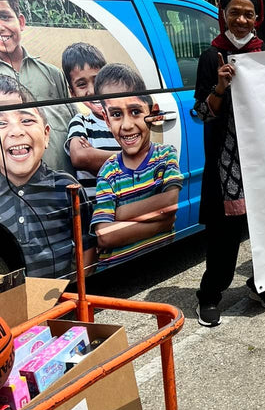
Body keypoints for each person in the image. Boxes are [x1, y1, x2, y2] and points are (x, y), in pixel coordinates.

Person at [194, 0, 265, 327]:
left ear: (257, 18)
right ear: (223, 15)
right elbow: (202, 114)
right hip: (227, 162)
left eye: (248, 14)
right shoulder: (211, 56)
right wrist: (220, 87)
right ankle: (210, 295)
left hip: (262, 160)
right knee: (224, 236)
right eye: (235, 13)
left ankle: (261, 285)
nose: (242, 20)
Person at [0, 75, 95, 277]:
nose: (16, 131)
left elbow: (88, 247)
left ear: (46, 135)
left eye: (26, 120)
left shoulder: (67, 187)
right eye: (1, 123)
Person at [90, 64, 183, 266]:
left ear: (152, 113)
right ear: (106, 119)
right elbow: (105, 236)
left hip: (159, 267)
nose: (127, 125)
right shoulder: (108, 173)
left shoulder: (165, 156)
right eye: (116, 114)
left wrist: (120, 214)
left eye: (135, 111)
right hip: (118, 271)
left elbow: (170, 203)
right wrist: (162, 224)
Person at [0, 0, 76, 174]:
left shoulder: (52, 74)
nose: (0, 27)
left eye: (5, 16)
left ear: (21, 22)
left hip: (61, 182)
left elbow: (74, 126)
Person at [63, 42, 120, 197]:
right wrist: (130, 157)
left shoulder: (124, 119)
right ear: (73, 93)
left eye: (97, 80)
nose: (92, 90)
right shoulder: (80, 122)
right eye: (82, 84)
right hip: (98, 206)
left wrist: (95, 157)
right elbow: (80, 157)